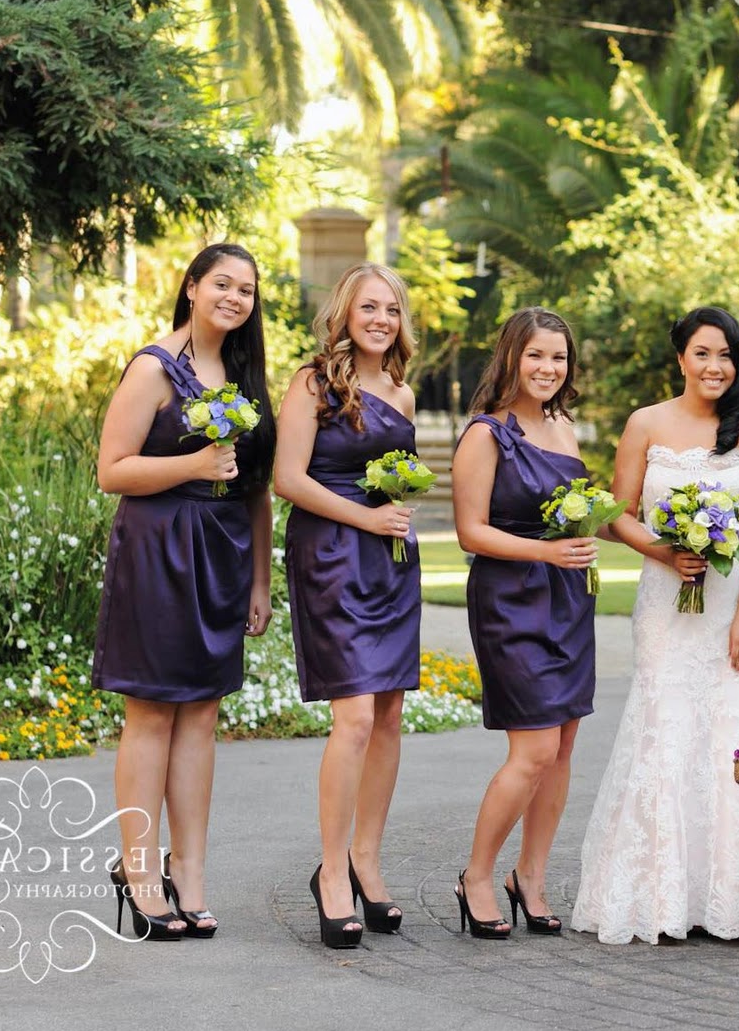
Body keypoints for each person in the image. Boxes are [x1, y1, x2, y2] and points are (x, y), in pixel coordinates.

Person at [571, 306, 739, 945]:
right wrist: (666, 550)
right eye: (701, 353)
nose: (714, 366)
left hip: (736, 605)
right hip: (666, 601)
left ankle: (738, 898)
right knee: (664, 728)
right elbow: (618, 513)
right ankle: (659, 893)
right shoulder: (646, 423)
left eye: (725, 355)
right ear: (681, 358)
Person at [93, 243, 276, 941]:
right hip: (157, 549)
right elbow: (112, 469)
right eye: (222, 284)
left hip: (224, 552)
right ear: (192, 287)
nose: (235, 297)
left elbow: (255, 488)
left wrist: (260, 577)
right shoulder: (153, 366)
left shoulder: (247, 377)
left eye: (247, 290)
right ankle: (138, 870)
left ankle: (189, 871)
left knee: (202, 716)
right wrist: (193, 463)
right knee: (152, 714)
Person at [274, 263, 419, 949]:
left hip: (389, 560)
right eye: (369, 306)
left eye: (391, 309)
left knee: (388, 711)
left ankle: (367, 859)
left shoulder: (403, 392)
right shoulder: (313, 381)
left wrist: (394, 510)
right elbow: (286, 479)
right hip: (330, 551)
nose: (381, 319)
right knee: (355, 715)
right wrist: (366, 519)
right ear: (345, 311)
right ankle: (331, 873)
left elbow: (398, 478)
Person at [452, 307, 598, 939]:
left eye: (558, 357)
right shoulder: (485, 434)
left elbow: (586, 508)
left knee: (562, 746)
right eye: (536, 355)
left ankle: (530, 876)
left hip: (568, 596)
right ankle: (477, 876)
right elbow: (470, 531)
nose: (548, 368)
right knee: (533, 748)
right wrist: (544, 551)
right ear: (511, 356)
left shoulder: (564, 427)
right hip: (511, 597)